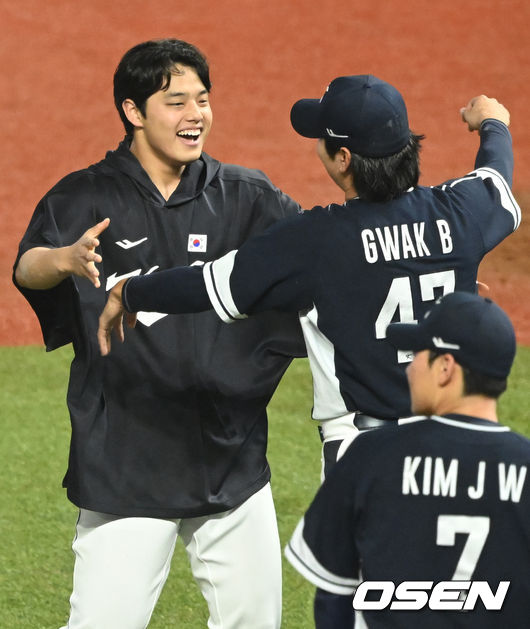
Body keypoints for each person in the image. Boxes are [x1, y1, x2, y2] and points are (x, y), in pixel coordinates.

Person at [98, 76, 521, 627]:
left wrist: (129, 290)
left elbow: (207, 284)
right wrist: (494, 123)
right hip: (463, 452)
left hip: (367, 460)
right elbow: (496, 176)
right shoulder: (461, 214)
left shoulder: (316, 240)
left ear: (343, 158)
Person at [13, 38, 306, 629]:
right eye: (175, 102)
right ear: (133, 111)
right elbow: (27, 265)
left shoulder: (246, 197)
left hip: (231, 458)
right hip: (127, 462)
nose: (195, 115)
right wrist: (65, 259)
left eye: (202, 99)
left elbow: (322, 254)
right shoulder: (87, 194)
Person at [285, 291, 530, 628]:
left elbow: (333, 595)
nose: (410, 368)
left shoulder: (368, 457)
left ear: (445, 368)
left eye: (418, 354)